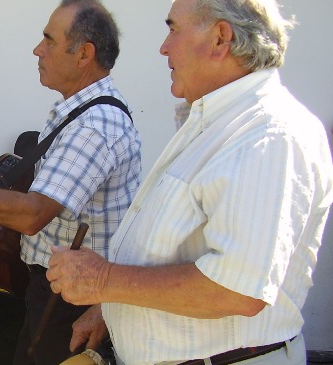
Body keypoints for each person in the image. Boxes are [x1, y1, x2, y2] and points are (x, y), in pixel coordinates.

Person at [46, 1, 333, 364]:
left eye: (173, 29)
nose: (164, 47)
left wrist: (104, 281)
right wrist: (113, 308)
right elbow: (182, 248)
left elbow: (237, 290)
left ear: (220, 38)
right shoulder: (218, 121)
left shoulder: (268, 134)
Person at [0, 1, 141, 364]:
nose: (37, 49)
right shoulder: (77, 111)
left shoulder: (94, 128)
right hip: (56, 290)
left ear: (84, 54)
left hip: (72, 301)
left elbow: (34, 214)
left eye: (49, 39)